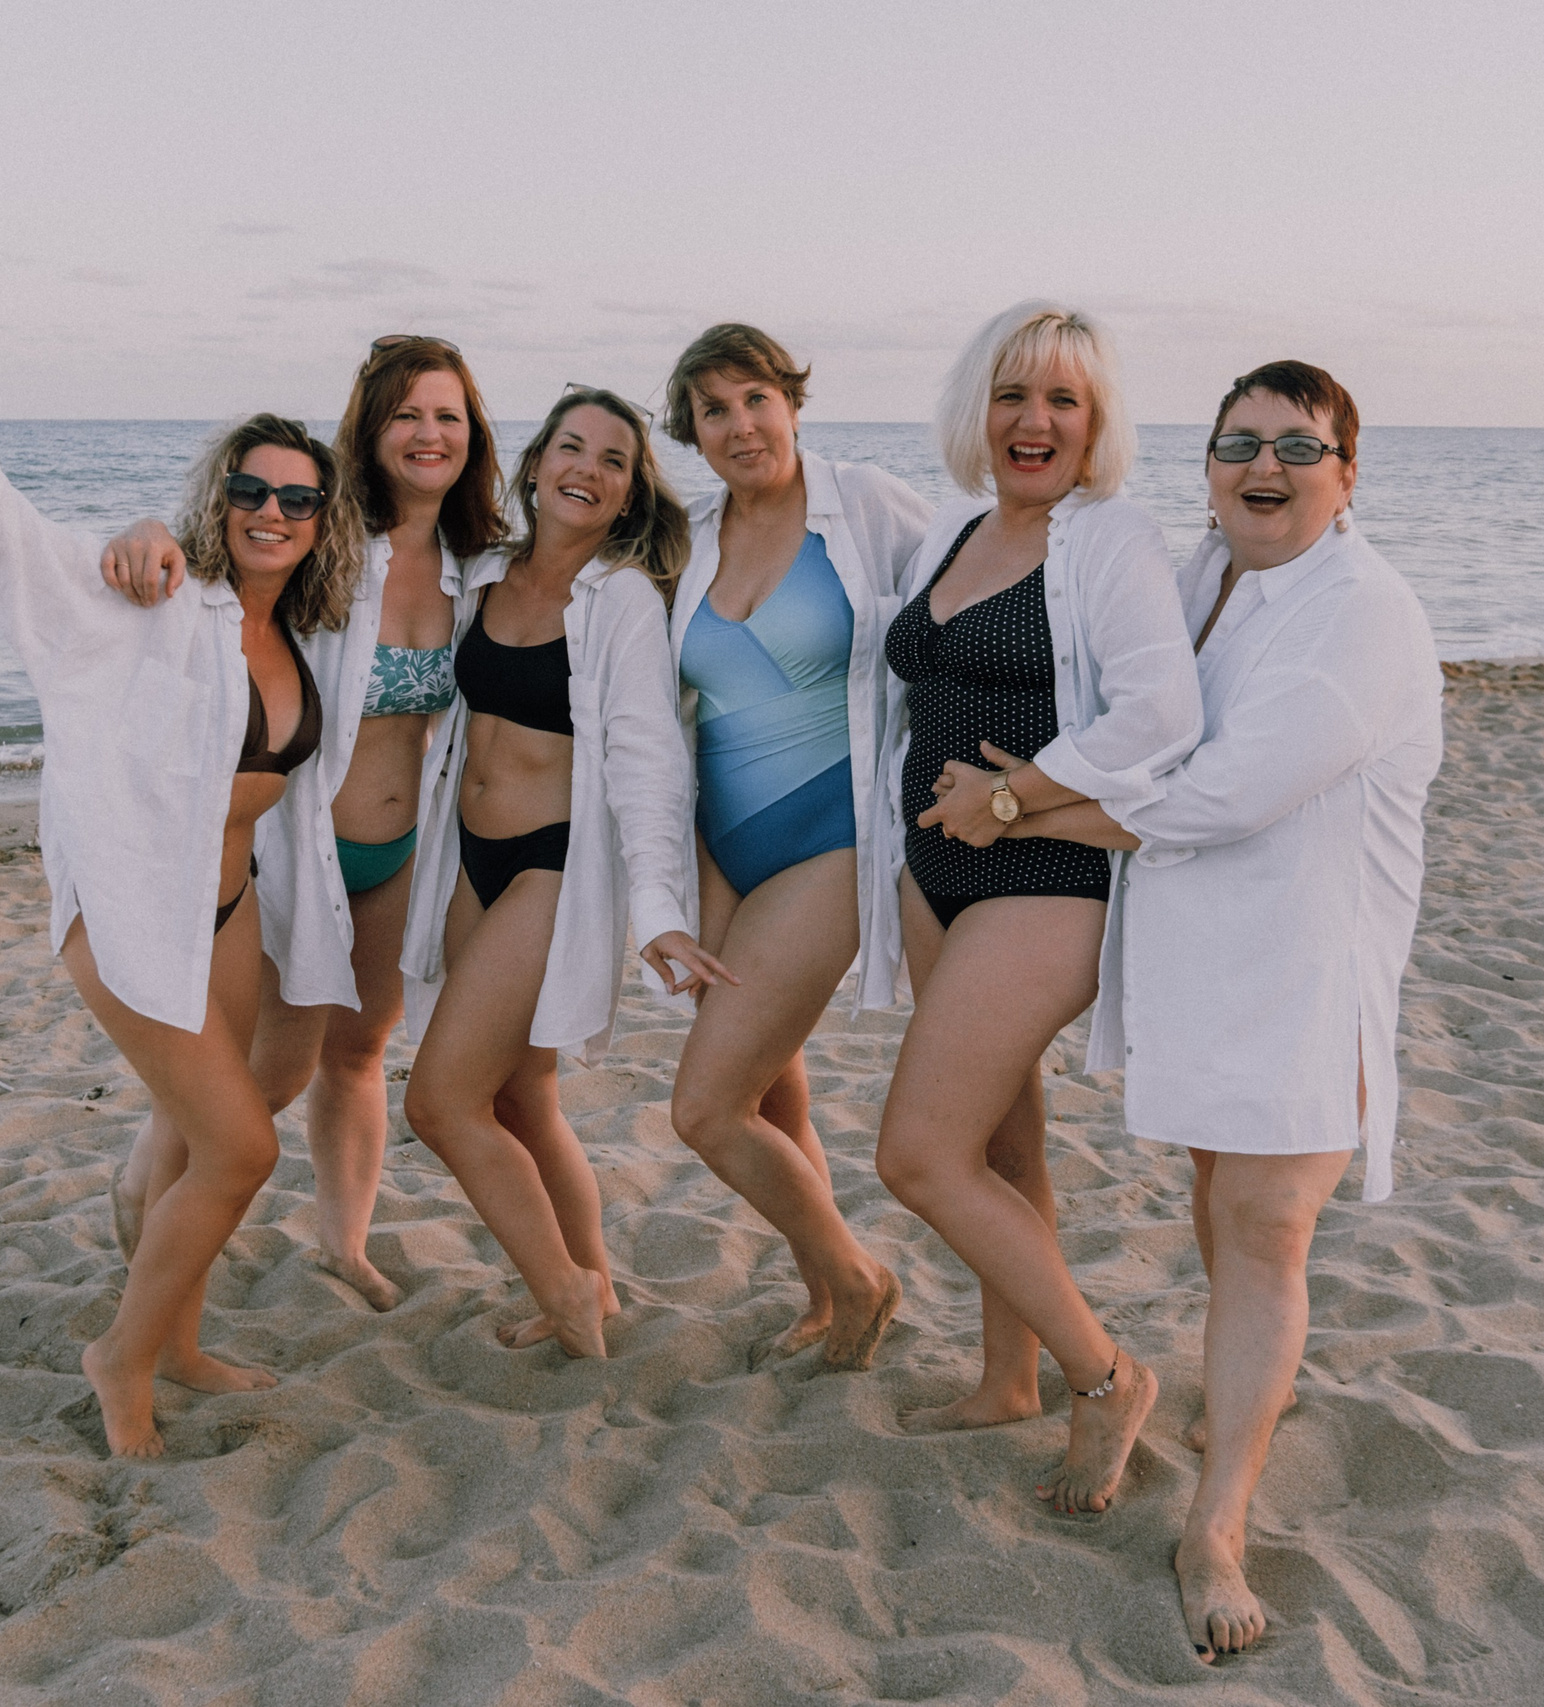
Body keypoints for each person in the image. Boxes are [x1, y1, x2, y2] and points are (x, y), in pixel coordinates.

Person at [0, 255, 361, 1457]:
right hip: (131, 913)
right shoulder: (146, 600)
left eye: (298, 500)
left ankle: (181, 1340)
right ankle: (122, 1358)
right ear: (220, 495)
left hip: (232, 908)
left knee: (199, 1142)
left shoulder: (304, 639)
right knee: (242, 1147)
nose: (271, 512)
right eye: (251, 488)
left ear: (320, 522)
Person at [1005, 360, 1442, 1661]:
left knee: (1265, 1224)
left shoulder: (1361, 611)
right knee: (1216, 1192)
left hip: (1306, 963)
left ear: (1347, 476)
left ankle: (1218, 1527)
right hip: (1202, 952)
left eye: (1299, 447)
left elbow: (1221, 794)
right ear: (1204, 466)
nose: (1266, 466)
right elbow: (1138, 718)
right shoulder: (1204, 579)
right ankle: (1239, 1404)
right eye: (1239, 442)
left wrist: (1019, 799)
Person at [871, 302, 1201, 1513]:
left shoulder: (1110, 540)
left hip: (1041, 870)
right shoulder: (954, 530)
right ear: (979, 409)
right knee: (1002, 1148)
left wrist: (1010, 797)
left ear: (1096, 421)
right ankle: (1005, 1378)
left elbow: (1160, 715)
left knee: (915, 1153)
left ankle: (1102, 1374)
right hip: (931, 873)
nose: (1036, 420)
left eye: (1063, 399)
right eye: (1013, 394)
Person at [99, 337, 503, 1311]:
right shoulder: (326, 536)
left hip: (406, 854)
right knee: (258, 1079)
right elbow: (219, 563)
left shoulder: (479, 562)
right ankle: (143, 1193)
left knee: (361, 1053)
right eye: (406, 413)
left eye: (446, 415)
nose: (427, 433)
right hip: (296, 851)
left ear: (471, 434)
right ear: (370, 425)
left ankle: (344, 1243)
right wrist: (146, 527)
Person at [397, 389, 733, 1358]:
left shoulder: (621, 597)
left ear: (630, 494)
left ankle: (566, 1293)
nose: (586, 469)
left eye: (613, 460)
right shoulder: (487, 572)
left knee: (440, 1103)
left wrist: (659, 910)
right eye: (571, 448)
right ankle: (593, 1290)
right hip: (467, 861)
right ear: (536, 463)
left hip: (550, 865)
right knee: (519, 1099)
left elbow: (645, 759)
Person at [659, 325, 932, 1368]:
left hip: (833, 833)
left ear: (792, 403)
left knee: (706, 1105)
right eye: (714, 410)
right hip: (724, 840)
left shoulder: (866, 505)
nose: (739, 426)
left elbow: (984, 581)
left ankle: (860, 1279)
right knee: (771, 1084)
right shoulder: (686, 533)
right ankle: (824, 1292)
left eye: (755, 399)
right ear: (691, 431)